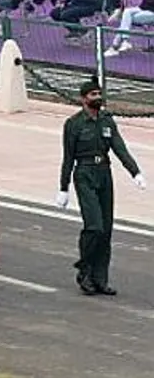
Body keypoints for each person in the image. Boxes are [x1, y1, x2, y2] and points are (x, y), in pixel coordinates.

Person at [56, 78, 146, 295]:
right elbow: (68, 157)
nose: (98, 97)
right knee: (94, 226)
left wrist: (135, 172)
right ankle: (84, 270)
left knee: (105, 230)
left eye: (99, 94)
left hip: (104, 173)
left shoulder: (106, 120)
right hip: (84, 174)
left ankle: (100, 279)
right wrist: (63, 187)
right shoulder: (74, 124)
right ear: (83, 99)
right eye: (93, 95)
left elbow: (119, 148)